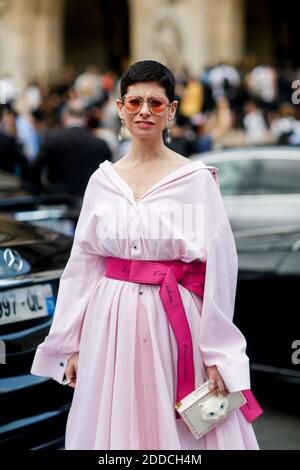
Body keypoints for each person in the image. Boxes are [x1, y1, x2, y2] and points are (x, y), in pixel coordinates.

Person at [30, 60, 260, 450]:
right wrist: (70, 343)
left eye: (155, 103)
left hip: (175, 326)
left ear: (171, 110)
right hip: (109, 325)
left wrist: (219, 352)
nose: (144, 111)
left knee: (183, 429)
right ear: (120, 108)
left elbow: (220, 268)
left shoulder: (196, 180)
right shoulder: (102, 181)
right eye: (135, 102)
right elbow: (83, 265)